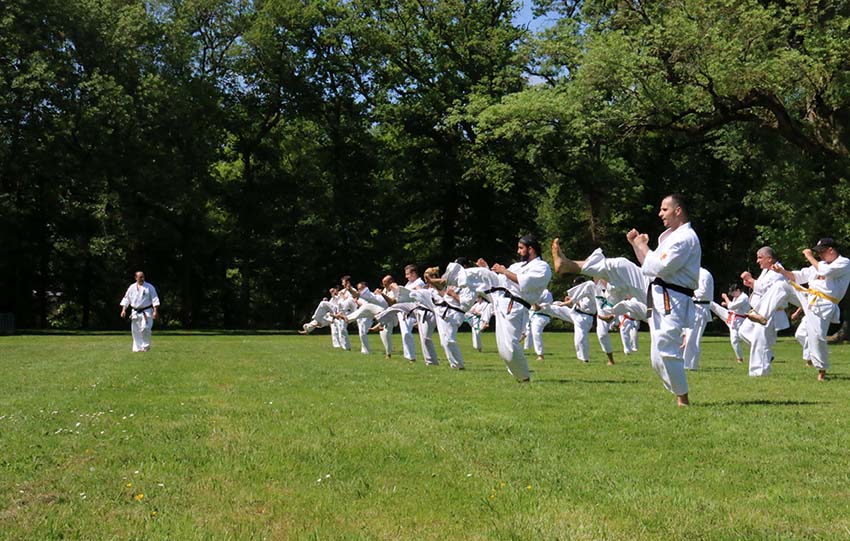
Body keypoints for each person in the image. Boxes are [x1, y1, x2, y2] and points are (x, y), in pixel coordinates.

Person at [626, 194, 701, 407]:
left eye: (664, 209)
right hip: (658, 292)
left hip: (673, 298)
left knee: (666, 348)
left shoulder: (686, 238)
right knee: (656, 358)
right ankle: (680, 393)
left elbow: (659, 266)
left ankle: (683, 398)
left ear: (678, 211)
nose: (660, 214)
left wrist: (643, 246)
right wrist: (636, 245)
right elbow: (648, 267)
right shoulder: (670, 237)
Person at [764, 238, 850, 380]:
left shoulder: (844, 263)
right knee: (782, 286)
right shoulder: (819, 264)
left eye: (821, 252)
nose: (819, 256)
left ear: (831, 250)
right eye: (817, 253)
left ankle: (821, 369)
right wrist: (782, 271)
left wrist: (809, 256)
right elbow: (797, 276)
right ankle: (761, 314)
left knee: (817, 337)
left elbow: (826, 271)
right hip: (808, 297)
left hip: (825, 303)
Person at [475, 235, 552, 382]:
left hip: (517, 306)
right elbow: (500, 280)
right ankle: (451, 278)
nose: (518, 251)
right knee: (503, 348)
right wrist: (486, 269)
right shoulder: (517, 266)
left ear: (531, 249)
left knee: (510, 346)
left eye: (521, 248)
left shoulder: (542, 267)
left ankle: (524, 376)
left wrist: (504, 271)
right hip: (502, 301)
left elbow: (526, 282)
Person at [736, 247, 789, 377]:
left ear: (769, 259)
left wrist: (751, 279)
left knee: (761, 340)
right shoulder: (766, 270)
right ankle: (767, 355)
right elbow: (761, 287)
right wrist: (751, 284)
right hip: (757, 311)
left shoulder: (777, 271)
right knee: (743, 332)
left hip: (770, 312)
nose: (757, 261)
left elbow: (769, 290)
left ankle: (760, 371)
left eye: (760, 257)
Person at [709, 283, 751, 364]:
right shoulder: (737, 297)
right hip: (731, 316)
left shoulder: (744, 297)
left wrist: (726, 298)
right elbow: (733, 307)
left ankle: (764, 355)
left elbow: (731, 306)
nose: (732, 295)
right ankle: (705, 300)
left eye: (733, 293)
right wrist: (727, 304)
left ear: (738, 290)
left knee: (743, 339)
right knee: (715, 306)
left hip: (739, 321)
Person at [120, 271, 161, 352]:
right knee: (135, 331)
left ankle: (145, 347)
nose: (142, 278)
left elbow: (155, 299)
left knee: (145, 328)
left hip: (147, 311)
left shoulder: (149, 287)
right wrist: (123, 310)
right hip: (135, 312)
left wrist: (155, 311)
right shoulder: (131, 287)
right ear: (136, 278)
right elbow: (126, 298)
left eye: (143, 277)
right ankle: (138, 348)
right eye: (140, 277)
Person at [682, 267, 714, 370]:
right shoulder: (695, 273)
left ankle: (690, 365)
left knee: (693, 338)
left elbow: (702, 292)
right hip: (693, 307)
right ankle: (685, 363)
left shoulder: (703, 274)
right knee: (688, 337)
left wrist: (686, 292)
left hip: (699, 308)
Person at [524, 289, 553, 361]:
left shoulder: (546, 293)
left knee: (536, 333)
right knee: (526, 333)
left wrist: (533, 301)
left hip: (541, 316)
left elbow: (538, 307)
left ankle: (540, 355)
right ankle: (515, 348)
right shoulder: (535, 292)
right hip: (533, 315)